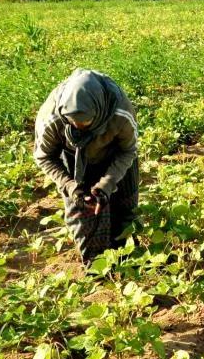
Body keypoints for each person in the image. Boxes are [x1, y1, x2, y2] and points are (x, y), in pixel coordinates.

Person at [34, 68, 139, 264]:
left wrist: (107, 184)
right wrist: (69, 185)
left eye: (87, 122)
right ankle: (97, 270)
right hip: (73, 160)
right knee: (84, 219)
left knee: (124, 212)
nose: (79, 127)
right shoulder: (52, 118)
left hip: (114, 155)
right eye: (73, 123)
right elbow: (44, 157)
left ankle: (129, 263)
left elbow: (128, 151)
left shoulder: (119, 114)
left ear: (99, 112)